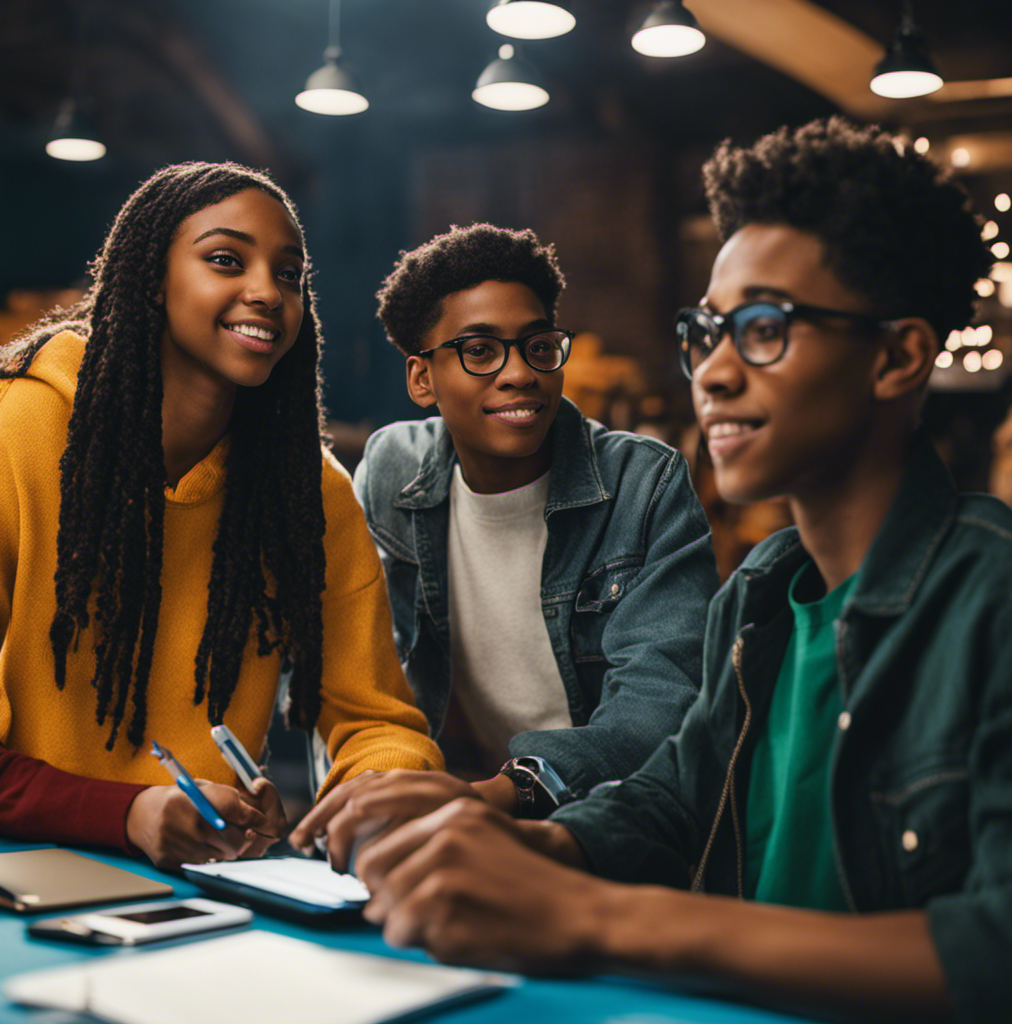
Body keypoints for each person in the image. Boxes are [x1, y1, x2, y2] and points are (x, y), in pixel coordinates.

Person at [308, 119, 1012, 1023]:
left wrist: (596, 914)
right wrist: (500, 835)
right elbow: (671, 800)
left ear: (898, 356)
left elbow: (1004, 949)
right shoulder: (763, 597)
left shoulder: (1000, 602)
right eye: (707, 331)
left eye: (763, 329)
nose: (713, 374)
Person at [0, 161, 442, 870]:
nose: (267, 291)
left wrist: (370, 803)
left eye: (290, 274)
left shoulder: (304, 492)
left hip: (203, 888)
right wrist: (129, 813)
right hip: (17, 874)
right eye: (226, 260)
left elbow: (376, 720)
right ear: (151, 278)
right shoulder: (16, 432)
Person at [291, 224, 717, 846]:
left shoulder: (641, 484)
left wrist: (494, 794)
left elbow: (661, 706)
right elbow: (363, 675)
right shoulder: (393, 471)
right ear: (422, 380)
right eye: (480, 351)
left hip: (612, 826)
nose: (519, 373)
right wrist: (375, 797)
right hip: (460, 815)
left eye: (538, 346)